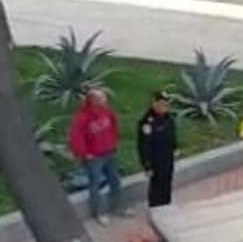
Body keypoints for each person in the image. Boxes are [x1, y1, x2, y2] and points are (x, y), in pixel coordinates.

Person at [69, 88, 125, 225]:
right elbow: (77, 137)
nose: (104, 100)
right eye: (101, 98)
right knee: (95, 185)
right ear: (93, 100)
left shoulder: (106, 111)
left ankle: (117, 207)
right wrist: (84, 153)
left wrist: (114, 141)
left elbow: (114, 124)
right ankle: (100, 213)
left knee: (115, 180)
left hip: (109, 152)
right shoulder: (82, 118)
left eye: (104, 97)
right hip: (94, 157)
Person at [137, 91, 178, 208]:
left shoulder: (168, 118)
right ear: (154, 104)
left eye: (166, 105)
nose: (164, 107)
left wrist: (175, 147)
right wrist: (147, 165)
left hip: (167, 157)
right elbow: (144, 146)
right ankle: (155, 208)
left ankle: (166, 204)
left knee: (167, 182)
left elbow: (172, 135)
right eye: (161, 104)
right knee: (156, 185)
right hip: (155, 160)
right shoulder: (147, 123)